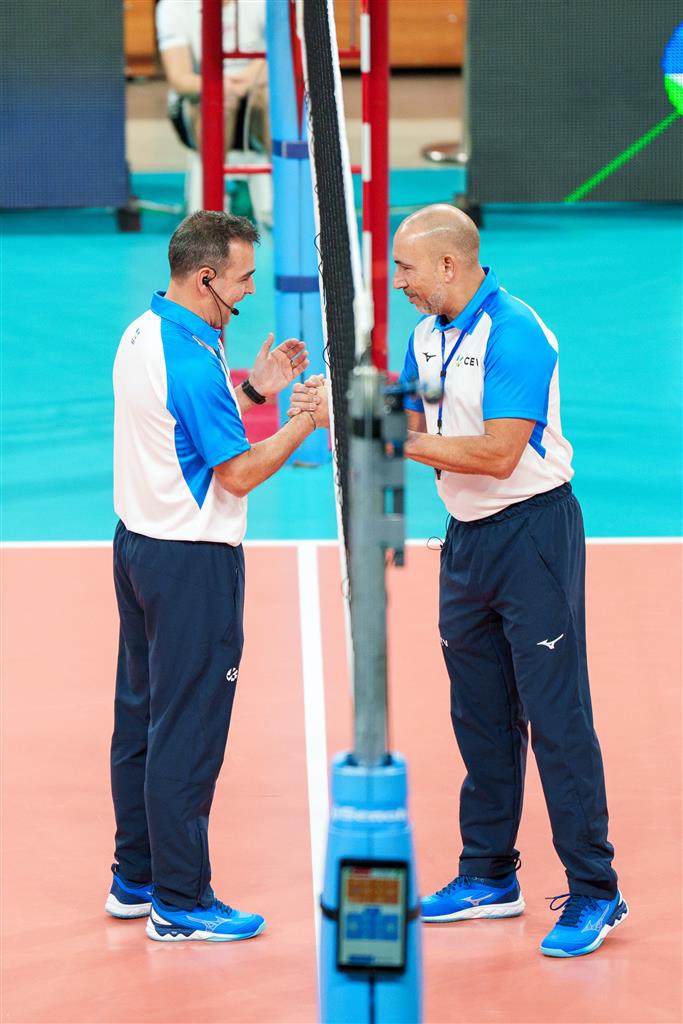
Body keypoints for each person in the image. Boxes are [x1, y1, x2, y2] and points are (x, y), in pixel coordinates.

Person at [291, 203, 627, 959]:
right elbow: (414, 420)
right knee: (479, 715)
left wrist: (375, 429)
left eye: (405, 267)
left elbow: (498, 454)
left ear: (449, 264)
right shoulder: (426, 335)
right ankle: (488, 875)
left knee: (556, 717)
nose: (397, 281)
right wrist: (342, 407)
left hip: (531, 535)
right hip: (466, 541)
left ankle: (595, 890)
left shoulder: (515, 333)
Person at [105, 210, 329, 942]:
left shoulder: (146, 333)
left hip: (138, 550)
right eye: (243, 278)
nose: (251, 290)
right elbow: (235, 473)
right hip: (193, 564)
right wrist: (304, 421)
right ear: (205, 278)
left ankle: (136, 877)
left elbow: (187, 432)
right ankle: (180, 901)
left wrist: (257, 393)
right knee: (189, 731)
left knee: (141, 718)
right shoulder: (195, 362)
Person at [156, 0, 271, 221]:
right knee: (219, 103)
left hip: (254, 91)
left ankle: (283, 205)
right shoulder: (172, 7)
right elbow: (180, 78)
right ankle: (211, 214)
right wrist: (220, 88)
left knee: (269, 97)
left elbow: (277, 56)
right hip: (202, 101)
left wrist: (241, 84)